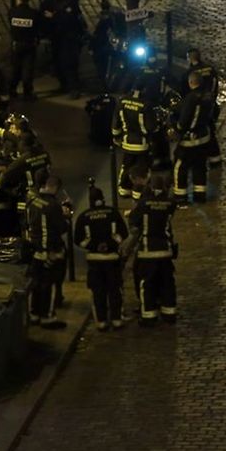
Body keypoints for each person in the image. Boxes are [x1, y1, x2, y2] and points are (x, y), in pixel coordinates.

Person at [123, 173, 178, 326]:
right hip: (165, 250)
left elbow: (134, 221)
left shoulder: (143, 203)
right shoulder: (170, 203)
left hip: (147, 251)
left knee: (146, 284)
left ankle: (148, 316)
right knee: (167, 282)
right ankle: (169, 313)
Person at [75, 184, 129, 331]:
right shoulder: (113, 213)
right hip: (112, 259)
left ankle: (101, 321)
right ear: (103, 198)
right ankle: (117, 319)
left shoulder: (84, 217)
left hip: (94, 260)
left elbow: (78, 239)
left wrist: (93, 245)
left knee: (98, 292)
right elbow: (123, 233)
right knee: (115, 290)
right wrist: (110, 244)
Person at [27, 173, 69, 328]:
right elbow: (61, 228)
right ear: (54, 187)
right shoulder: (53, 205)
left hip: (35, 249)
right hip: (50, 250)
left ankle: (34, 313)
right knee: (50, 284)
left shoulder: (33, 201)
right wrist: (66, 215)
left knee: (36, 283)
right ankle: (48, 316)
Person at [171, 70, 213, 204]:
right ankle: (200, 196)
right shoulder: (208, 95)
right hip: (204, 137)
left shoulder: (191, 98)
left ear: (190, 83)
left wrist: (176, 130)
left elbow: (184, 120)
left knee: (180, 166)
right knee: (199, 166)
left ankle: (180, 197)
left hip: (190, 140)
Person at [42, 0, 86, 99]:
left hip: (69, 39)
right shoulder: (54, 1)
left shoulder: (69, 4)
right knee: (58, 63)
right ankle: (64, 85)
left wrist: (54, 16)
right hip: (58, 38)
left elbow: (69, 19)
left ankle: (74, 89)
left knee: (69, 64)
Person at [112, 82, 154, 199]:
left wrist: (116, 136)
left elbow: (116, 122)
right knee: (141, 170)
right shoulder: (146, 104)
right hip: (142, 144)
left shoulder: (122, 101)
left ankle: (124, 190)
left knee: (126, 166)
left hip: (127, 143)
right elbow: (150, 127)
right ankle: (139, 193)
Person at [183, 48, 222, 172]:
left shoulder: (190, 72)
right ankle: (215, 159)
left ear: (190, 57)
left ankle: (200, 159)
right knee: (211, 131)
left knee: (202, 131)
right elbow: (216, 85)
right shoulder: (210, 69)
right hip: (211, 105)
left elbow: (185, 91)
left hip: (197, 107)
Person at [9, 0, 39, 100]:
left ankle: (12, 90)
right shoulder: (33, 14)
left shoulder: (12, 12)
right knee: (28, 69)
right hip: (29, 44)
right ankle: (27, 92)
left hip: (16, 44)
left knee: (15, 69)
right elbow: (37, 28)